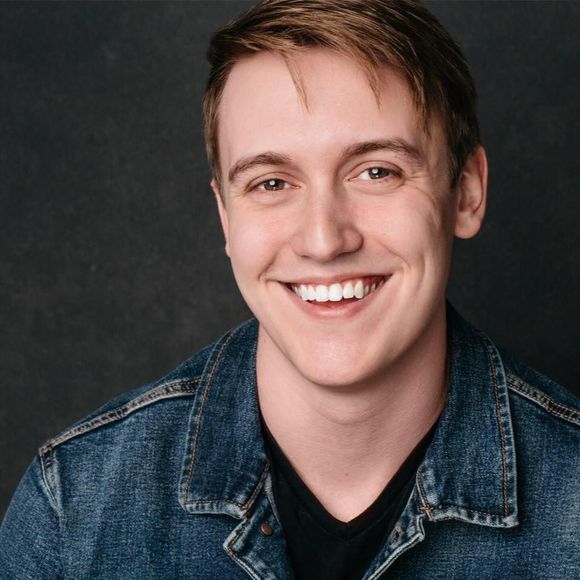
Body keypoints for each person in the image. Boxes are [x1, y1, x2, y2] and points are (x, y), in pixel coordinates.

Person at [1, 0, 578, 578]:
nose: (324, 240)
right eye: (272, 183)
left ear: (467, 191)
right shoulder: (72, 514)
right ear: (226, 218)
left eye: (376, 171)